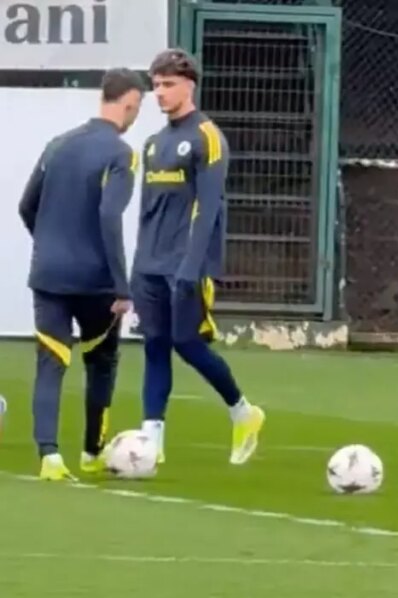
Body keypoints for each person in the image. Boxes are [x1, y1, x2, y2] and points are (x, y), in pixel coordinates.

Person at [133, 48, 265, 464]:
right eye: (156, 85)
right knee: (155, 346)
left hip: (185, 265)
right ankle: (151, 442)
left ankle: (243, 411)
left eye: (168, 84)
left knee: (187, 343)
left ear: (189, 85)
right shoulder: (153, 144)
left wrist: (192, 267)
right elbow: (147, 211)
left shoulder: (207, 137)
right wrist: (138, 267)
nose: (160, 93)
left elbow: (208, 209)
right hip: (150, 265)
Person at [18, 68, 144, 481]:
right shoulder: (121, 154)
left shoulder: (57, 145)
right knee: (102, 361)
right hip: (96, 280)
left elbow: (26, 205)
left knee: (51, 362)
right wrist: (122, 287)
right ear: (129, 103)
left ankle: (49, 457)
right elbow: (109, 216)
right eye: (136, 108)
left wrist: (50, 244)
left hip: (49, 274)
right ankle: (92, 451)